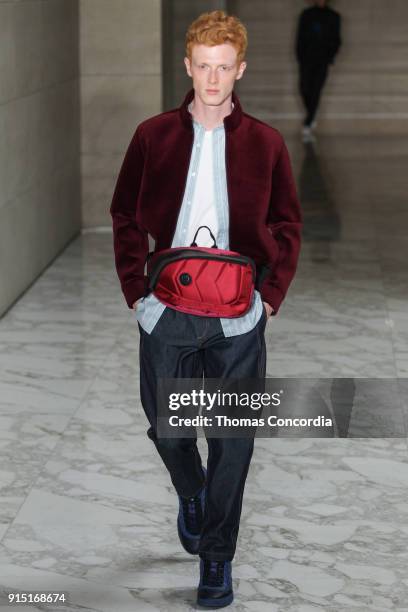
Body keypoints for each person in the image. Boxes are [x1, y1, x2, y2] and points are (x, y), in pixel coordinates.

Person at [110, 10, 302, 608]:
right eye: (203, 67)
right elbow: (123, 215)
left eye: (224, 68)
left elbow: (288, 223)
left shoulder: (266, 143)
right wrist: (136, 295)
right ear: (187, 65)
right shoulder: (153, 135)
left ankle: (216, 560)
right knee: (169, 429)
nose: (213, 80)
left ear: (239, 68)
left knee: (233, 441)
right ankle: (188, 490)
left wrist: (268, 299)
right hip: (167, 308)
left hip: (237, 315)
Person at [296, 0, 342, 141]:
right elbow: (300, 37)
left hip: (322, 60)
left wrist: (330, 56)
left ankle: (308, 121)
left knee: (316, 89)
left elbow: (337, 39)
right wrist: (300, 55)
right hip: (306, 59)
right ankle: (312, 114)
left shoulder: (334, 16)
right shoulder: (306, 14)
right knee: (304, 88)